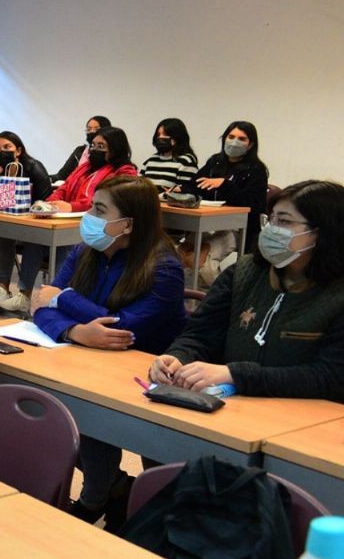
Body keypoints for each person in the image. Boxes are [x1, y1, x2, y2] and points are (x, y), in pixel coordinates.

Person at [31, 176, 187, 530]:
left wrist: (65, 298)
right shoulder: (86, 251)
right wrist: (75, 331)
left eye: (99, 210)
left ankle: (151, 517)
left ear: (128, 224)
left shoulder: (163, 266)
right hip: (89, 361)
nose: (89, 216)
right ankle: (100, 493)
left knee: (143, 447)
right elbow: (40, 305)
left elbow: (123, 329)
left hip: (148, 377)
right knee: (64, 413)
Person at [151, 179, 344, 403]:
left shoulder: (336, 295)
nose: (271, 229)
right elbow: (200, 335)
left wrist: (236, 375)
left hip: (305, 418)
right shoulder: (244, 272)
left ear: (322, 232)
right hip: (231, 404)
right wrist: (177, 358)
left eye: (284, 222)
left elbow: (332, 377)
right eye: (270, 219)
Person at [0, 131, 52, 312]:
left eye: (7, 147)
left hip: (32, 225)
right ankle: (2, 287)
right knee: (1, 234)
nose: (2, 151)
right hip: (8, 224)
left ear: (18, 150)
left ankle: (23, 295)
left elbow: (47, 199)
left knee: (29, 240)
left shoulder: (33, 167)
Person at [184, 120, 268, 253]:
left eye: (241, 139)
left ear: (250, 144)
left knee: (204, 259)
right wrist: (181, 190)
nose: (234, 142)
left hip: (237, 228)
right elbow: (196, 184)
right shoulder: (215, 162)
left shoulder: (256, 169)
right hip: (209, 222)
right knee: (183, 252)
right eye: (231, 137)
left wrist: (225, 185)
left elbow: (253, 204)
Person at [44, 126, 138, 213]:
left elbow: (110, 202)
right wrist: (51, 203)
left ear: (115, 150)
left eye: (101, 146)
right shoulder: (85, 167)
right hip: (71, 218)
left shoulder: (125, 172)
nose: (94, 149)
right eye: (93, 145)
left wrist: (72, 207)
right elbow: (63, 189)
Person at [141, 118, 198, 193]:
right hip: (148, 202)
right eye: (158, 134)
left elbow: (186, 192)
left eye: (165, 134)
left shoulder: (186, 161)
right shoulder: (151, 159)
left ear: (177, 137)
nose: (160, 137)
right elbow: (139, 185)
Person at [55, 115, 111, 182]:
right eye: (89, 129)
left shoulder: (110, 153)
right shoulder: (80, 151)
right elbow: (61, 176)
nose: (92, 132)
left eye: (96, 129)